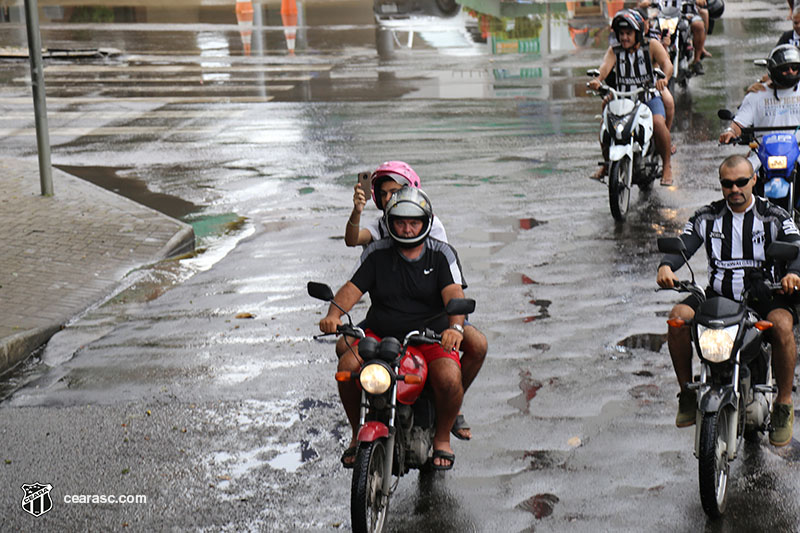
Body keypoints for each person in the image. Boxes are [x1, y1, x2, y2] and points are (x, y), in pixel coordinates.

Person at [320, 186, 469, 469]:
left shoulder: (441, 254)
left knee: (451, 378)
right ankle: (356, 434)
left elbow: (454, 295)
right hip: (381, 333)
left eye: (414, 222)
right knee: (348, 367)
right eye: (400, 222)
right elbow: (351, 289)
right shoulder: (377, 253)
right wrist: (333, 315)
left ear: (426, 223)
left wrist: (455, 329)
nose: (408, 228)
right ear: (390, 222)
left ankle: (441, 438)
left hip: (430, 336)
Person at [656, 154, 799, 446]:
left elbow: (797, 247)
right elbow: (684, 245)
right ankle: (686, 392)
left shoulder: (774, 216)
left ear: (754, 180)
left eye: (741, 182)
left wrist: (793, 274)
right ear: (721, 185)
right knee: (677, 318)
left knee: (783, 325)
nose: (735, 189)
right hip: (719, 296)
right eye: (727, 184)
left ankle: (783, 404)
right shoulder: (706, 217)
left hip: (764, 296)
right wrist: (666, 266)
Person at [341, 161, 488, 440]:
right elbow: (352, 259)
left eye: (395, 192)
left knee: (472, 349)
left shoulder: (435, 240)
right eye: (383, 194)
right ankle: (365, 415)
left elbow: (451, 287)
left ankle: (450, 408)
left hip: (433, 315)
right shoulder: (379, 233)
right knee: (343, 350)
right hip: (387, 313)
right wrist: (356, 211)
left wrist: (455, 327)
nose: (407, 230)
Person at [588, 9, 675, 185]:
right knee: (605, 126)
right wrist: (597, 80)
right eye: (621, 34)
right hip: (622, 98)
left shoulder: (651, 45)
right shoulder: (614, 51)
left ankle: (666, 166)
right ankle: (607, 164)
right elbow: (604, 68)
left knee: (658, 123)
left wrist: (664, 79)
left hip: (648, 97)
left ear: (638, 33)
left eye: (628, 33)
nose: (624, 38)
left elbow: (667, 64)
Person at [719, 45, 800, 151]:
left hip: (797, 151)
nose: (791, 72)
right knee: (734, 167)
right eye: (785, 68)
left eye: (794, 68)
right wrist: (731, 132)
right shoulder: (756, 94)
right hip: (762, 154)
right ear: (774, 70)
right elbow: (738, 123)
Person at [638, 0, 711, 75]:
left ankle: (697, 60)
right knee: (651, 27)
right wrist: (647, 2)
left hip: (686, 14)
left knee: (698, 25)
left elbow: (703, 2)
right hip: (664, 16)